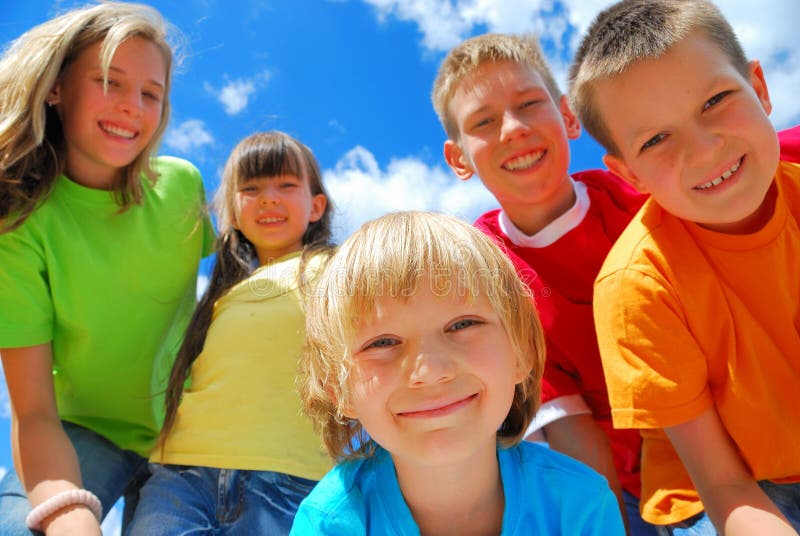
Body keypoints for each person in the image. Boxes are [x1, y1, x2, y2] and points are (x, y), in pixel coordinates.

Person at [568, 0, 800, 533]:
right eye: (655, 139)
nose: (702, 150)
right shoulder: (638, 286)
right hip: (723, 493)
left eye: (715, 100)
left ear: (759, 88)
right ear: (630, 174)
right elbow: (722, 483)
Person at [0, 3, 213, 534]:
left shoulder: (181, 185)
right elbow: (33, 415)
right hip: (78, 431)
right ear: (56, 88)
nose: (131, 108)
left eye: (150, 93)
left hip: (191, 436)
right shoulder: (18, 229)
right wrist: (68, 513)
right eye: (108, 81)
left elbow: (247, 272)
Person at [431, 32, 652, 534]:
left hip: (741, 445)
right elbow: (570, 426)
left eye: (529, 104)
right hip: (623, 489)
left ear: (569, 117)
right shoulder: (488, 271)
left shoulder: (639, 195)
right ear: (459, 158)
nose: (512, 129)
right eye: (483, 122)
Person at [291, 211, 625, 535]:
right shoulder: (327, 524)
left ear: (522, 351)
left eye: (462, 324)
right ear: (337, 386)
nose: (431, 371)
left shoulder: (581, 506)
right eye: (382, 342)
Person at [127, 131, 333, 535]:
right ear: (233, 213)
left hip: (292, 477)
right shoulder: (218, 298)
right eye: (251, 188)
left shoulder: (336, 269)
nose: (269, 198)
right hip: (182, 472)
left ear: (316, 206)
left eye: (286, 185)